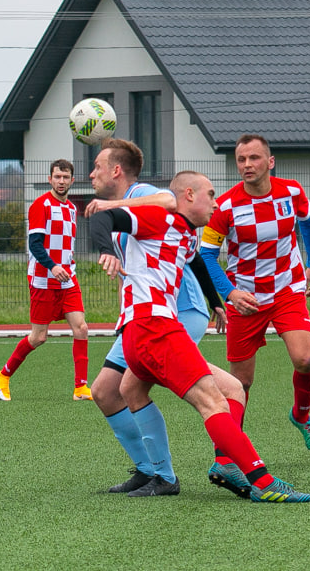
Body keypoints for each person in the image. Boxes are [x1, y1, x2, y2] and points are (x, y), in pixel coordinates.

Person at [90, 170, 310, 503]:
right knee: (213, 402)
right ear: (189, 195)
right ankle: (263, 482)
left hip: (143, 332)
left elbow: (195, 262)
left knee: (230, 389)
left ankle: (175, 474)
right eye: (210, 194)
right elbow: (103, 219)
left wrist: (215, 303)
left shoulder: (185, 234)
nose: (216, 201)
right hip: (154, 328)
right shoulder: (158, 217)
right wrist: (106, 250)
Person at [84, 138, 239, 498]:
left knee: (120, 389)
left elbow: (171, 202)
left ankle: (168, 474)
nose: (91, 174)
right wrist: (216, 302)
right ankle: (153, 471)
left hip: (174, 312)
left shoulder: (147, 194)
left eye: (97, 167)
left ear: (116, 171)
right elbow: (194, 253)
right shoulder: (134, 203)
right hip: (160, 312)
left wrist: (208, 301)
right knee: (109, 392)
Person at [200, 133, 310, 456]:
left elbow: (309, 221)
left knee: (305, 359)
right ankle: (230, 452)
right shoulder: (224, 206)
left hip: (287, 289)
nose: (247, 165)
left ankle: (301, 415)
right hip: (246, 299)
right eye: (241, 159)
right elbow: (205, 256)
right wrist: (230, 294)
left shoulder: (292, 191)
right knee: (240, 384)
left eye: (254, 158)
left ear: (270, 162)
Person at [0, 159, 90, 402]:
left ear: (72, 181)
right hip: (43, 281)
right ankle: (3, 375)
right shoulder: (40, 205)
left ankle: (80, 388)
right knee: (39, 337)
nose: (61, 181)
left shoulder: (71, 209)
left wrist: (66, 265)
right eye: (57, 177)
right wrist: (53, 266)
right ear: (50, 179)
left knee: (82, 328)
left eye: (65, 177)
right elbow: (34, 245)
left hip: (68, 279)